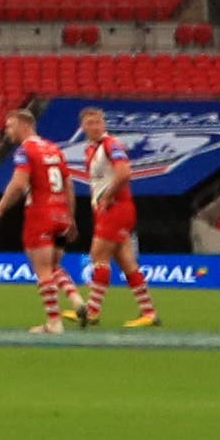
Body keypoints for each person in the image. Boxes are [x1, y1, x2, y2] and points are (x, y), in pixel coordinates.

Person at [0, 108, 77, 330]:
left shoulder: (25, 150)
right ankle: (77, 300)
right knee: (54, 265)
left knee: (42, 271)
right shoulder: (54, 148)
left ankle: (54, 322)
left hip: (40, 213)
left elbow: (19, 184)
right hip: (60, 213)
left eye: (10, 126)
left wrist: (0, 209)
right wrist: (71, 217)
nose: (7, 132)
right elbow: (69, 184)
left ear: (24, 125)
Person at [73, 109, 156, 330]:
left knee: (98, 255)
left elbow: (124, 173)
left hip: (116, 207)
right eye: (90, 123)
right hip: (110, 208)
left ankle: (92, 311)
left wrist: (108, 196)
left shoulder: (111, 145)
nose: (95, 126)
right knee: (126, 261)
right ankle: (148, 312)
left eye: (98, 122)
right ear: (83, 128)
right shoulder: (91, 149)